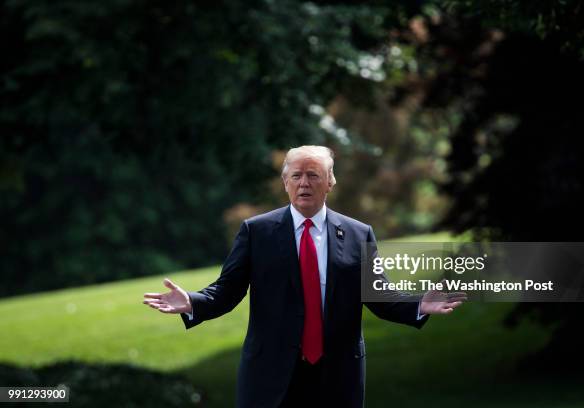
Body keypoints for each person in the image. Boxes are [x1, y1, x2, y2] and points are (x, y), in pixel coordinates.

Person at [143, 145, 466, 407]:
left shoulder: (358, 233)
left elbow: (379, 296)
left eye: (313, 175)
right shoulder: (258, 232)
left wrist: (419, 304)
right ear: (285, 183)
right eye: (296, 175)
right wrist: (193, 302)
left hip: (337, 376)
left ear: (330, 182)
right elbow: (227, 290)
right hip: (270, 375)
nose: (304, 183)